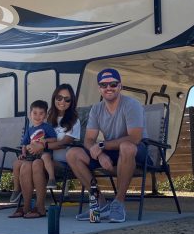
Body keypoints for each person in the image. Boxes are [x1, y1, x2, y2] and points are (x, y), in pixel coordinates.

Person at [65, 68, 147, 223]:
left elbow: (135, 138)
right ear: (99, 88)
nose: (108, 88)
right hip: (110, 151)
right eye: (104, 85)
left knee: (126, 147)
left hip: (137, 150)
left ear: (120, 86)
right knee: (72, 154)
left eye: (113, 84)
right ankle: (101, 204)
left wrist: (102, 145)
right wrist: (100, 154)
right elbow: (89, 140)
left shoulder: (131, 105)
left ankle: (119, 203)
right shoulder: (96, 109)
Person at [8, 100, 56, 219]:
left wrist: (45, 142)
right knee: (21, 164)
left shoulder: (47, 127)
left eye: (41, 113)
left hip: (42, 154)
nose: (38, 116)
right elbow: (24, 144)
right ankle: (24, 202)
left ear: (45, 115)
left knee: (37, 162)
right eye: (35, 113)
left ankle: (40, 206)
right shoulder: (29, 129)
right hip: (30, 155)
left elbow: (54, 139)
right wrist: (23, 154)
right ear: (30, 114)